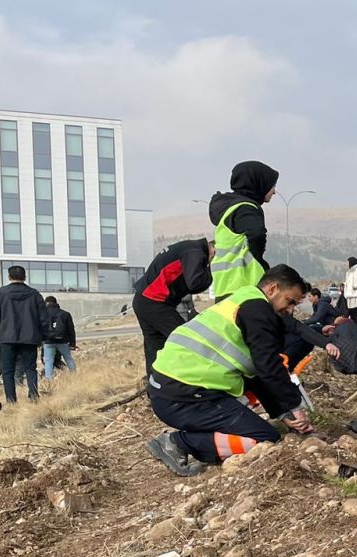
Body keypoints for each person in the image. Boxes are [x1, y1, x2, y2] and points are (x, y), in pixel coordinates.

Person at [145, 265, 315, 476]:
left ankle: (189, 438)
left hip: (172, 389)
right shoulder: (258, 310)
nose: (289, 311)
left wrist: (282, 412)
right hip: (183, 396)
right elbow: (269, 365)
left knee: (259, 430)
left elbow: (255, 373)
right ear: (273, 289)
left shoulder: (243, 299)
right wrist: (294, 406)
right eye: (290, 302)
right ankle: (178, 442)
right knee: (264, 439)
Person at [133, 238, 215, 374]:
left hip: (142, 300)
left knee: (156, 349)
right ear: (213, 250)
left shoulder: (187, 247)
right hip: (154, 302)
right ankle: (196, 380)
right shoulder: (195, 252)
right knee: (185, 340)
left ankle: (155, 387)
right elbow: (195, 283)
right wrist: (208, 270)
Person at [209, 161, 279, 299]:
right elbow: (257, 234)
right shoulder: (246, 208)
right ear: (258, 183)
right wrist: (258, 261)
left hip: (225, 285)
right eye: (272, 186)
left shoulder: (230, 209)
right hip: (245, 286)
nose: (274, 191)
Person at [0, 265, 45, 404]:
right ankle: (34, 396)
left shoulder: (1, 293)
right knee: (30, 368)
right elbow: (43, 317)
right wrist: (43, 337)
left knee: (7, 370)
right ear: (25, 277)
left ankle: (11, 400)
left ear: (9, 277)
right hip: (30, 338)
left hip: (7, 337)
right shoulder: (35, 294)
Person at [41, 296, 78, 380]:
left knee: (48, 361)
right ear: (56, 302)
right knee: (68, 358)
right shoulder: (65, 314)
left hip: (48, 342)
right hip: (63, 341)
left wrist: (40, 341)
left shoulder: (42, 314)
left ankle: (49, 380)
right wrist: (72, 344)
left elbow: (39, 328)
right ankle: (74, 376)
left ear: (46, 303)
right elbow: (71, 330)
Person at [342, 258, 357, 325]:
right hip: (349, 295)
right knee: (351, 314)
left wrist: (354, 286)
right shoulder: (349, 272)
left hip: (355, 295)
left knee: (356, 313)